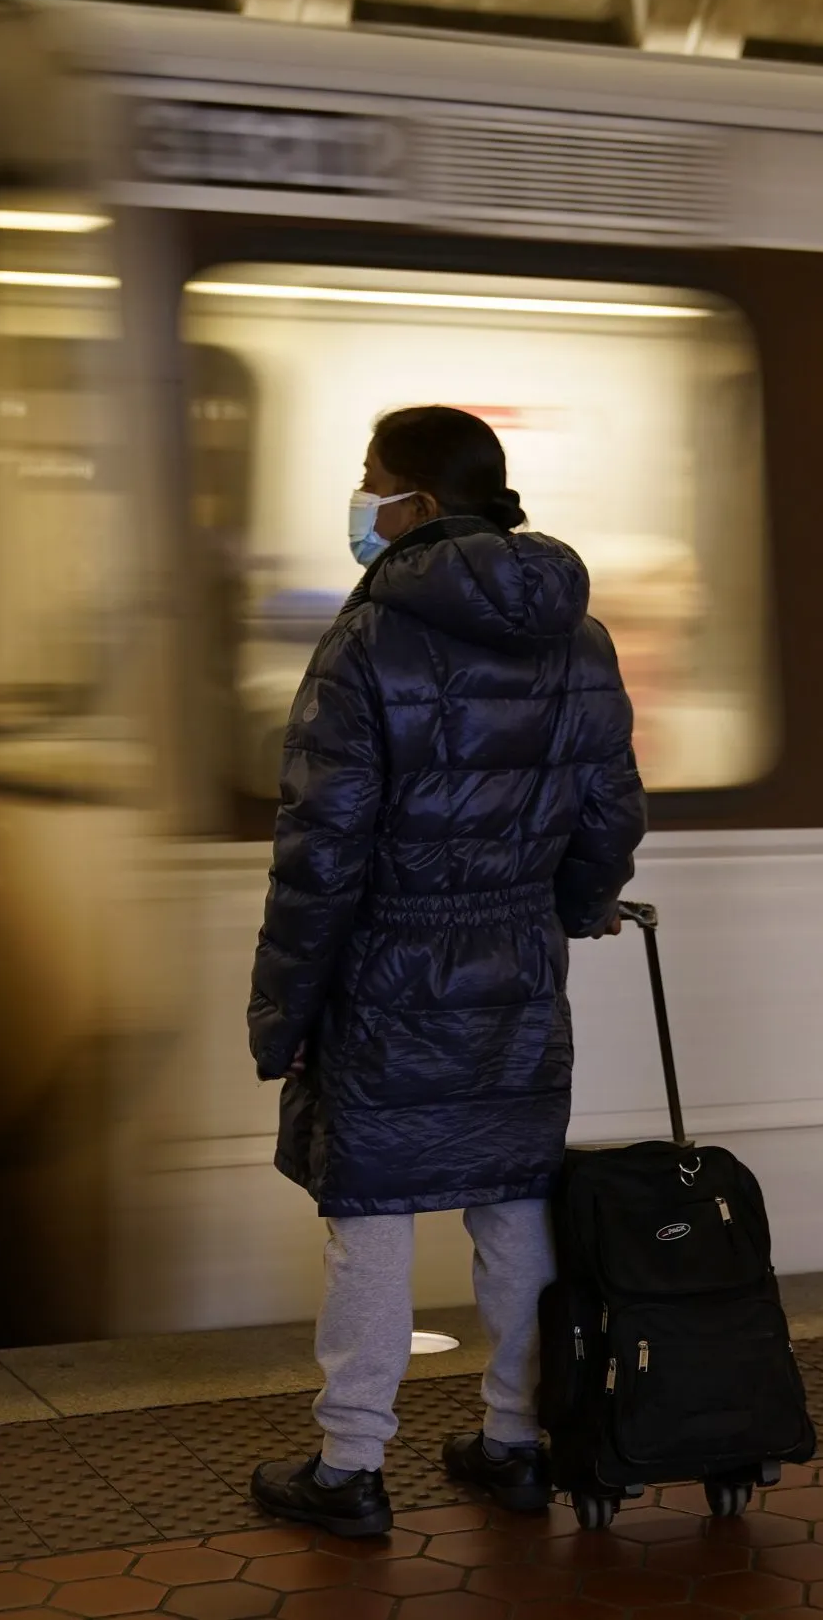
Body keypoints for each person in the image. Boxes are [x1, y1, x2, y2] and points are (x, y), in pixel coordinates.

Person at [246, 405, 647, 1537]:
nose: (360, 500)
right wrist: (571, 907)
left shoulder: (370, 638)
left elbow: (321, 848)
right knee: (513, 1202)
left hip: (387, 962)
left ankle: (350, 1466)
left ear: (418, 499)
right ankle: (517, 1443)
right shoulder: (579, 635)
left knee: (369, 1213)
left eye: (370, 479)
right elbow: (612, 808)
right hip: (516, 959)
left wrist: (286, 1002)